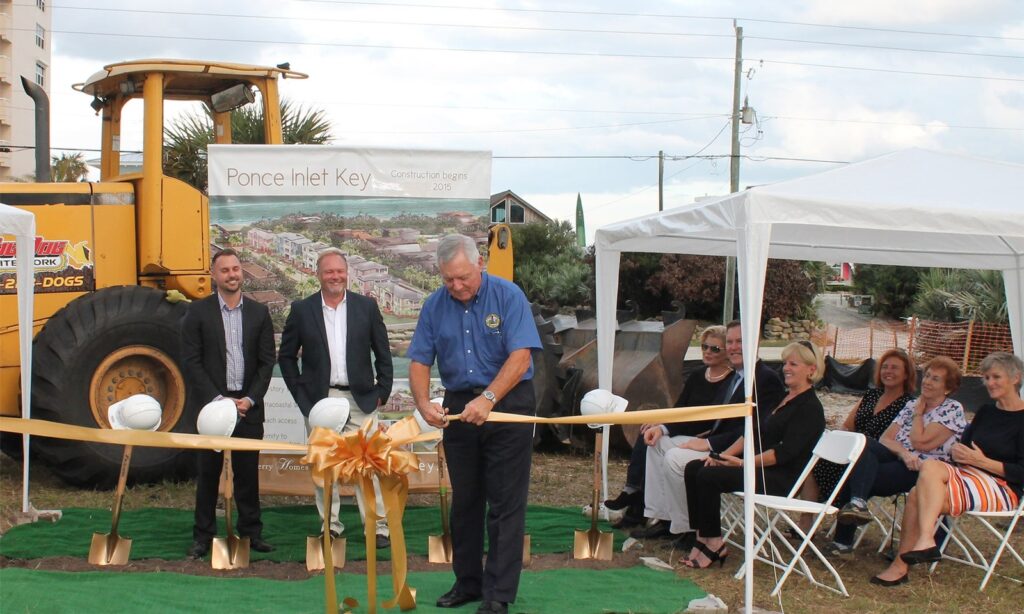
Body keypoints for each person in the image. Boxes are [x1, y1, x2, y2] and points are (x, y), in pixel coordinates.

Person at [408, 234, 541, 614]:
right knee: (465, 500)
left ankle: (498, 593)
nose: (457, 286)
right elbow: (419, 359)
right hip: (458, 405)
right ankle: (467, 582)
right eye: (448, 279)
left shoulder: (509, 296)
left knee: (504, 501)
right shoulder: (434, 305)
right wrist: (423, 404)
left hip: (508, 402)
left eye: (463, 277)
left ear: (480, 262)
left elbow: (520, 356)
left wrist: (489, 399)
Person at [872, 352, 1024, 587]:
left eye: (996, 377)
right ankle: (914, 552)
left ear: (1015, 378)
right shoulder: (986, 412)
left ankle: (911, 554)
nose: (989, 383)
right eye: (986, 377)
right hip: (968, 476)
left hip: (1003, 488)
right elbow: (961, 449)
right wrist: (959, 453)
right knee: (920, 486)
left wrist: (982, 461)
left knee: (918, 493)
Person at [630, 320, 785, 546]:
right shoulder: (735, 377)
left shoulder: (766, 379)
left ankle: (689, 529)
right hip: (714, 443)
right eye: (730, 342)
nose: (733, 347)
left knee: (674, 458)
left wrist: (709, 444)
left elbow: (756, 430)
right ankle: (664, 519)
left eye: (740, 341)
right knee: (657, 444)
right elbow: (704, 419)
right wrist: (663, 428)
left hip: (734, 453)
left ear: (756, 342)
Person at [278, 248, 394, 548]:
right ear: (318, 275)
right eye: (329, 271)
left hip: (361, 399)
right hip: (319, 402)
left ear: (347, 274)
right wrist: (301, 396)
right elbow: (287, 357)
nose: (335, 276)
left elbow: (383, 352)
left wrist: (383, 391)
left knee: (368, 466)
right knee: (323, 466)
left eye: (340, 271)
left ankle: (377, 526)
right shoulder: (302, 310)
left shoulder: (366, 307)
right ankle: (330, 525)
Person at [681, 341, 826, 569]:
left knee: (709, 477)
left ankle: (715, 542)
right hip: (757, 467)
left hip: (780, 477)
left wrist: (743, 463)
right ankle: (703, 536)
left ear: (811, 370)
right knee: (695, 468)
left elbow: (783, 453)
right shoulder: (783, 399)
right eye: (785, 363)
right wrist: (720, 456)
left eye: (793, 364)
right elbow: (752, 434)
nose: (786, 368)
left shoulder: (810, 408)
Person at [180, 248, 276, 558]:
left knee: (247, 475)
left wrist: (249, 399)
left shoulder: (259, 314)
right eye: (225, 270)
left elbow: (266, 362)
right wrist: (219, 401)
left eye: (236, 269)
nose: (232, 275)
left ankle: (251, 533)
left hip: (248, 408)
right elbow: (191, 361)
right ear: (214, 275)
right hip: (212, 408)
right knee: (208, 475)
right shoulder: (197, 313)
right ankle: (203, 536)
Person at [829, 356, 966, 555]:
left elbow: (921, 442)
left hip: (927, 469)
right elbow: (886, 439)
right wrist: (903, 453)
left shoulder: (951, 409)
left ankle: (844, 539)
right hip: (903, 460)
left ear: (947, 387)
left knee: (858, 474)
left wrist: (919, 414)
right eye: (927, 376)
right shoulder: (913, 405)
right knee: (864, 444)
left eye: (935, 379)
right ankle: (857, 504)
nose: (927, 381)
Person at [605, 326, 731, 530]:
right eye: (704, 346)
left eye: (715, 349)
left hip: (700, 435)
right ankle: (634, 495)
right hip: (683, 426)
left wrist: (665, 427)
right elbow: (680, 407)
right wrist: (661, 424)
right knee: (648, 433)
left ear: (727, 353)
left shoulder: (729, 381)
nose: (707, 352)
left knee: (658, 440)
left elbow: (708, 421)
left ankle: (641, 503)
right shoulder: (698, 375)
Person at [795, 348, 916, 536]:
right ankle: (806, 522)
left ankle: (845, 532)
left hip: (884, 455)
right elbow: (847, 426)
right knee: (818, 458)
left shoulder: (909, 404)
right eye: (884, 367)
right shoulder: (871, 396)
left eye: (895, 368)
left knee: (861, 453)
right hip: (854, 449)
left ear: (907, 373)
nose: (888, 371)